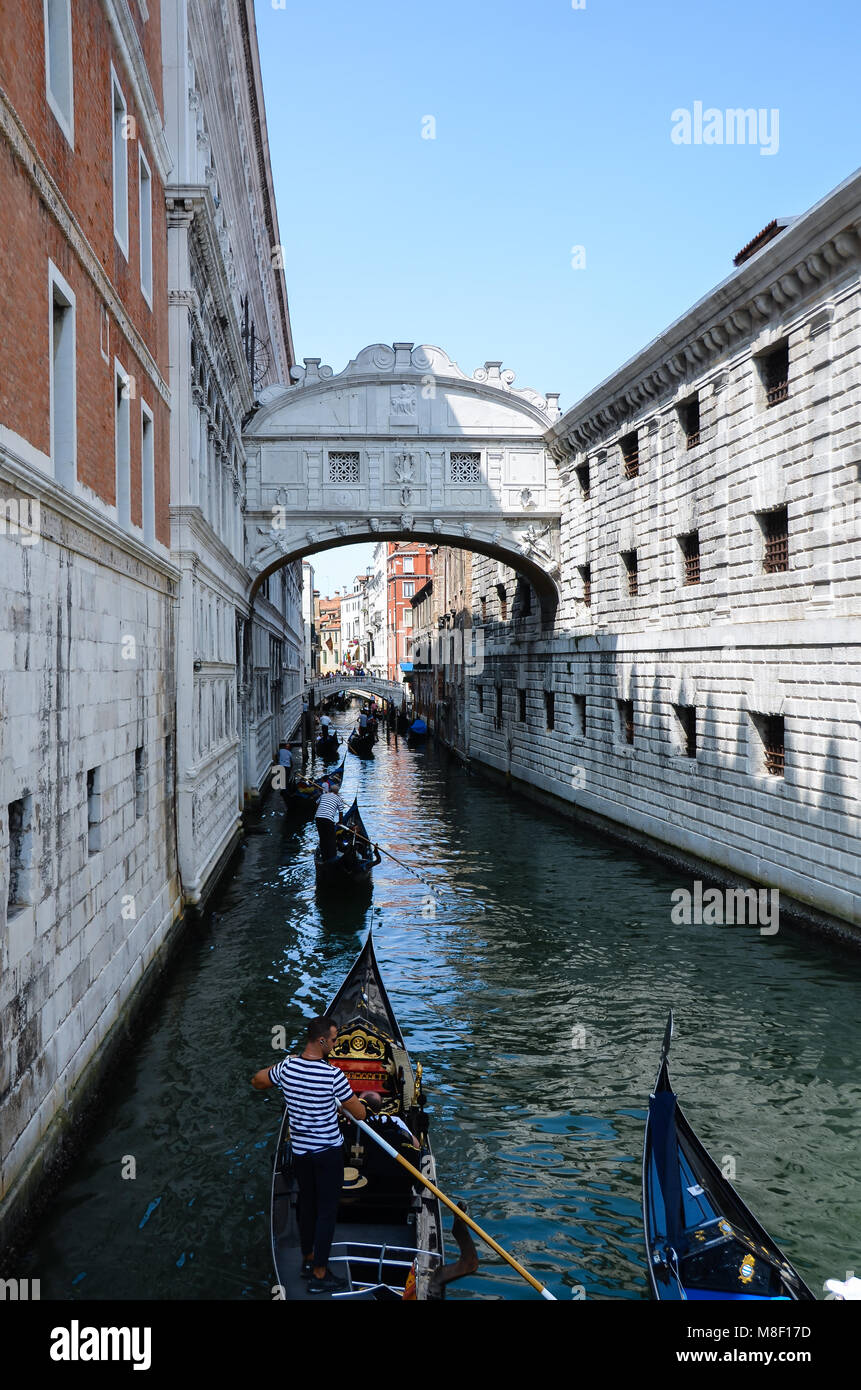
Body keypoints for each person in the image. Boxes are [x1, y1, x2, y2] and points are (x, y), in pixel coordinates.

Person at [252, 1017, 367, 1293]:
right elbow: (360, 1113)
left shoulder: (287, 1067)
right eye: (335, 1039)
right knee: (327, 1213)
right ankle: (319, 1274)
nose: (336, 1044)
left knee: (307, 1206)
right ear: (322, 1041)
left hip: (301, 1153)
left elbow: (257, 1080)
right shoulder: (333, 1075)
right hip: (327, 1154)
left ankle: (307, 1259)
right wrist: (340, 1106)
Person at [315, 779, 346, 860]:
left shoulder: (323, 795)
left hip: (318, 818)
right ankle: (332, 857)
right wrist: (340, 822)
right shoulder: (339, 799)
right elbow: (341, 812)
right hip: (328, 819)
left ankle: (324, 857)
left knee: (322, 837)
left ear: (330, 790)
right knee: (331, 838)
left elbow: (316, 803)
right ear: (337, 792)